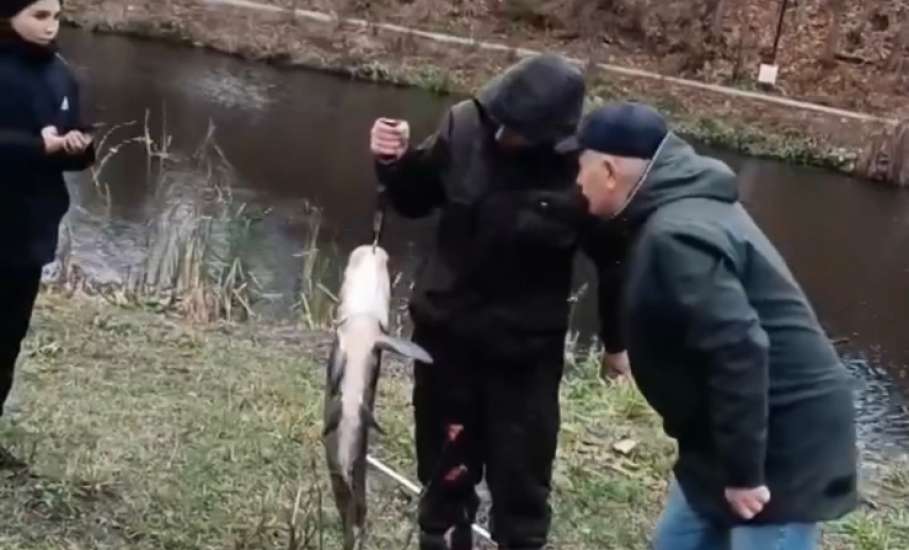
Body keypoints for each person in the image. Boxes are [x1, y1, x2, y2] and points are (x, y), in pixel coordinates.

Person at [567, 101, 858, 550]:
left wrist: (744, 474)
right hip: (723, 435)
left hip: (779, 441)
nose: (573, 184)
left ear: (608, 171)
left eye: (577, 170)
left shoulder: (676, 232)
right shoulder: (668, 209)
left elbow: (738, 348)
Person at [368, 53, 629, 549]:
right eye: (498, 120)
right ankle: (445, 532)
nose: (500, 135)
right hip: (447, 340)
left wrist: (616, 346)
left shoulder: (586, 168)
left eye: (515, 130)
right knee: (445, 471)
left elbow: (614, 262)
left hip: (526, 357)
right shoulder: (464, 126)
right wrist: (391, 162)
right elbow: (413, 198)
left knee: (523, 486)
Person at [0, 0, 95, 428]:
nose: (50, 27)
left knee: (6, 344)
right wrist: (37, 147)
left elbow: (76, 140)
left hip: (29, 234)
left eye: (56, 16)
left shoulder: (61, 73)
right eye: (39, 16)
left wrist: (79, 148)